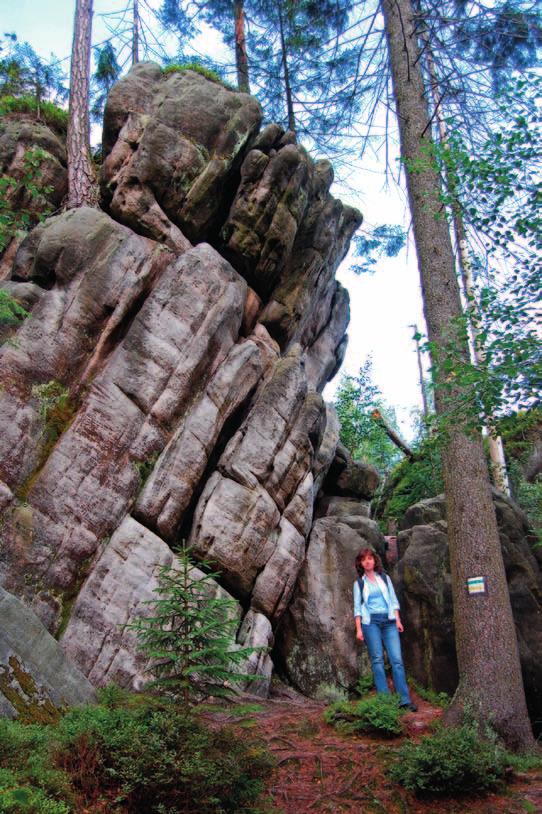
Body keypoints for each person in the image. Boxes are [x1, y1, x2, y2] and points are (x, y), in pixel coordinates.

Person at [353, 547, 417, 711]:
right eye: (364, 559)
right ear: (361, 563)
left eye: (370, 558)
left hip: (389, 622)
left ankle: (404, 700)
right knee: (377, 660)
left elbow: (393, 600)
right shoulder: (359, 583)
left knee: (396, 660)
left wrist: (397, 620)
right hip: (371, 623)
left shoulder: (384, 578)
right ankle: (385, 700)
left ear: (374, 560)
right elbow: (357, 609)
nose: (368, 561)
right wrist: (359, 629)